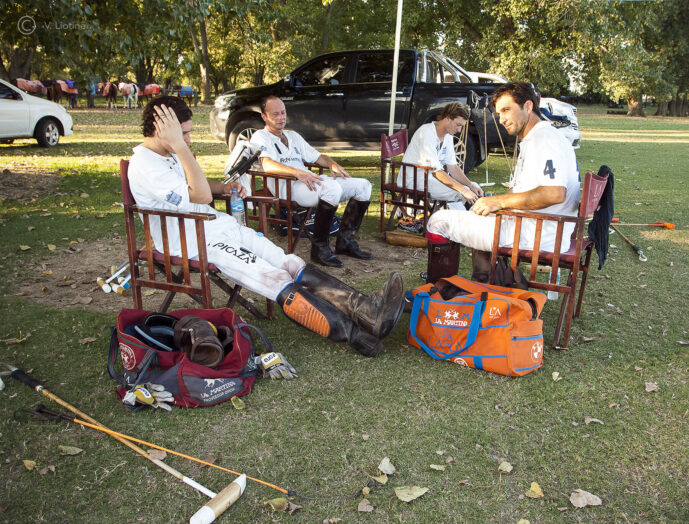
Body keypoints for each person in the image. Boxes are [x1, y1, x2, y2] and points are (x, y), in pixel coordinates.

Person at [127, 96, 404, 357]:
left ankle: (367, 311)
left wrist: (223, 187)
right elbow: (199, 196)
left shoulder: (170, 155)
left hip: (215, 226)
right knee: (272, 277)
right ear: (162, 130)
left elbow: (194, 187)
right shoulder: (145, 163)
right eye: (184, 134)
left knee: (288, 262)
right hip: (190, 239)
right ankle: (356, 335)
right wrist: (181, 147)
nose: (187, 139)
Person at [424, 82, 580, 284]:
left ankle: (437, 289)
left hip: (536, 233)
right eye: (499, 113)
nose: (502, 119)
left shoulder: (544, 139)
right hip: (539, 228)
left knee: (437, 221)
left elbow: (554, 193)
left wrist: (499, 202)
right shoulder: (541, 137)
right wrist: (494, 203)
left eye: (507, 110)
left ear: (528, 106)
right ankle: (488, 283)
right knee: (478, 215)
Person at [249, 96, 373, 268]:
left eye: (283, 113)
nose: (281, 118)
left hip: (308, 182)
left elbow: (317, 156)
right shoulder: (260, 137)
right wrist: (297, 172)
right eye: (275, 114)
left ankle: (345, 242)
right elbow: (267, 165)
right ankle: (320, 249)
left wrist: (331, 163)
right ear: (264, 116)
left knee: (363, 186)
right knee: (332, 188)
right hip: (286, 186)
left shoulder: (293, 136)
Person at [402, 102, 484, 210]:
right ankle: (471, 217)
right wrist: (464, 190)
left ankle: (471, 216)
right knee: (462, 193)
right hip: (416, 179)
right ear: (448, 118)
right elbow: (437, 172)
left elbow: (453, 167)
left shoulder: (448, 135)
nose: (459, 130)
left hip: (431, 178)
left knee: (474, 187)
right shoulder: (427, 132)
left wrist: (470, 185)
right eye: (458, 124)